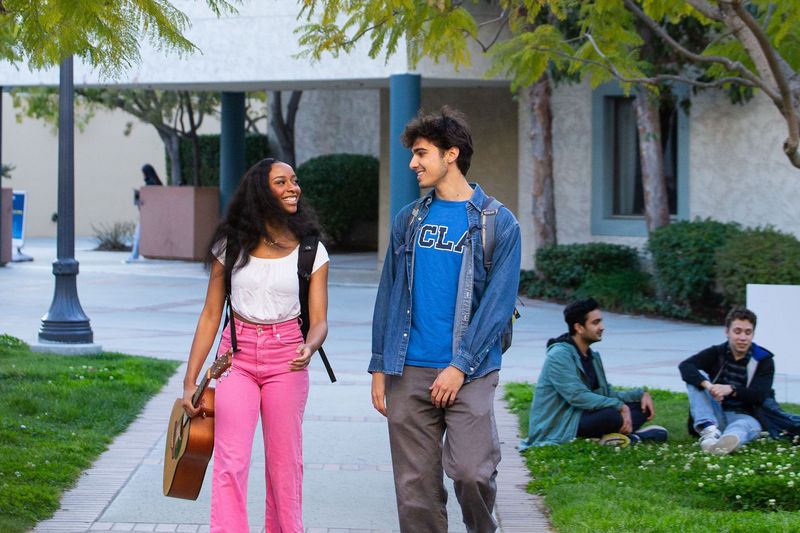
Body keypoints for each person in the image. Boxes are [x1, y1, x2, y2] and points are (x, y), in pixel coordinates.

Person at [370, 106, 522, 533]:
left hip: (470, 371)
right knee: (414, 489)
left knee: (471, 473)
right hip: (409, 368)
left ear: (451, 154)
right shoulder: (409, 219)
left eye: (421, 153)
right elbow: (389, 293)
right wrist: (380, 366)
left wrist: (459, 367)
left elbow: (498, 304)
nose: (413, 163)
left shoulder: (499, 223)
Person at [182, 158, 328, 533]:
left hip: (288, 359)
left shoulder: (311, 250)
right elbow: (211, 315)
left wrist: (309, 347)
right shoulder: (230, 246)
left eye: (295, 181)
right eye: (282, 182)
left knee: (285, 466)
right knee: (231, 461)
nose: (293, 187)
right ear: (262, 192)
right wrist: (190, 380)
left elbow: (320, 320)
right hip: (236, 358)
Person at [521, 297, 667, 449]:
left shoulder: (592, 356)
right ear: (579, 328)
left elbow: (606, 393)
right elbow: (577, 396)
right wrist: (620, 407)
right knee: (611, 415)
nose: (602, 327)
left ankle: (615, 437)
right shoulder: (559, 355)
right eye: (595, 322)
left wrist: (640, 395)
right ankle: (631, 437)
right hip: (563, 422)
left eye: (601, 321)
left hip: (585, 414)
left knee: (640, 408)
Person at [679, 307, 775, 455]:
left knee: (744, 426)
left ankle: (725, 442)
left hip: (745, 415)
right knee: (696, 376)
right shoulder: (717, 352)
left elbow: (759, 395)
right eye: (737, 331)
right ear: (727, 332)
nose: (742, 338)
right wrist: (709, 386)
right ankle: (709, 431)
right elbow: (685, 366)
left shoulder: (763, 360)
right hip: (715, 413)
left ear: (753, 334)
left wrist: (731, 389)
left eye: (748, 332)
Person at [126, 163, 163, 262]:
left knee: (138, 235)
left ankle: (134, 255)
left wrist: (140, 194)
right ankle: (135, 255)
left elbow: (147, 197)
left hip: (147, 213)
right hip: (155, 213)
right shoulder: (158, 183)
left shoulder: (150, 183)